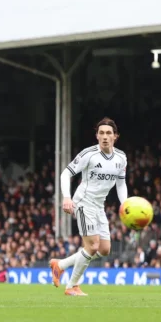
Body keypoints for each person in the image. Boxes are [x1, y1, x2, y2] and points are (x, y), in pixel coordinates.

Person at [49, 117, 127, 296]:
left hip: (99, 206)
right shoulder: (88, 154)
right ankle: (72, 286)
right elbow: (65, 174)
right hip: (83, 202)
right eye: (101, 133)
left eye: (109, 133)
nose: (105, 136)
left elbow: (121, 184)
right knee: (92, 246)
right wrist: (67, 198)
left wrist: (124, 204)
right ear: (97, 136)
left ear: (115, 136)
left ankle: (60, 265)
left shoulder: (121, 158)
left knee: (104, 249)